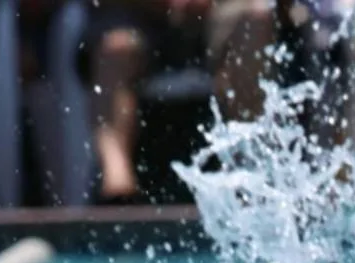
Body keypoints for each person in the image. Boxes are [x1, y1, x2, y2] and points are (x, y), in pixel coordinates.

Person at [83, 0, 275, 204]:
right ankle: (117, 187)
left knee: (255, 22)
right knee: (115, 48)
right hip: (141, 15)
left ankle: (248, 169)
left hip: (220, 11)